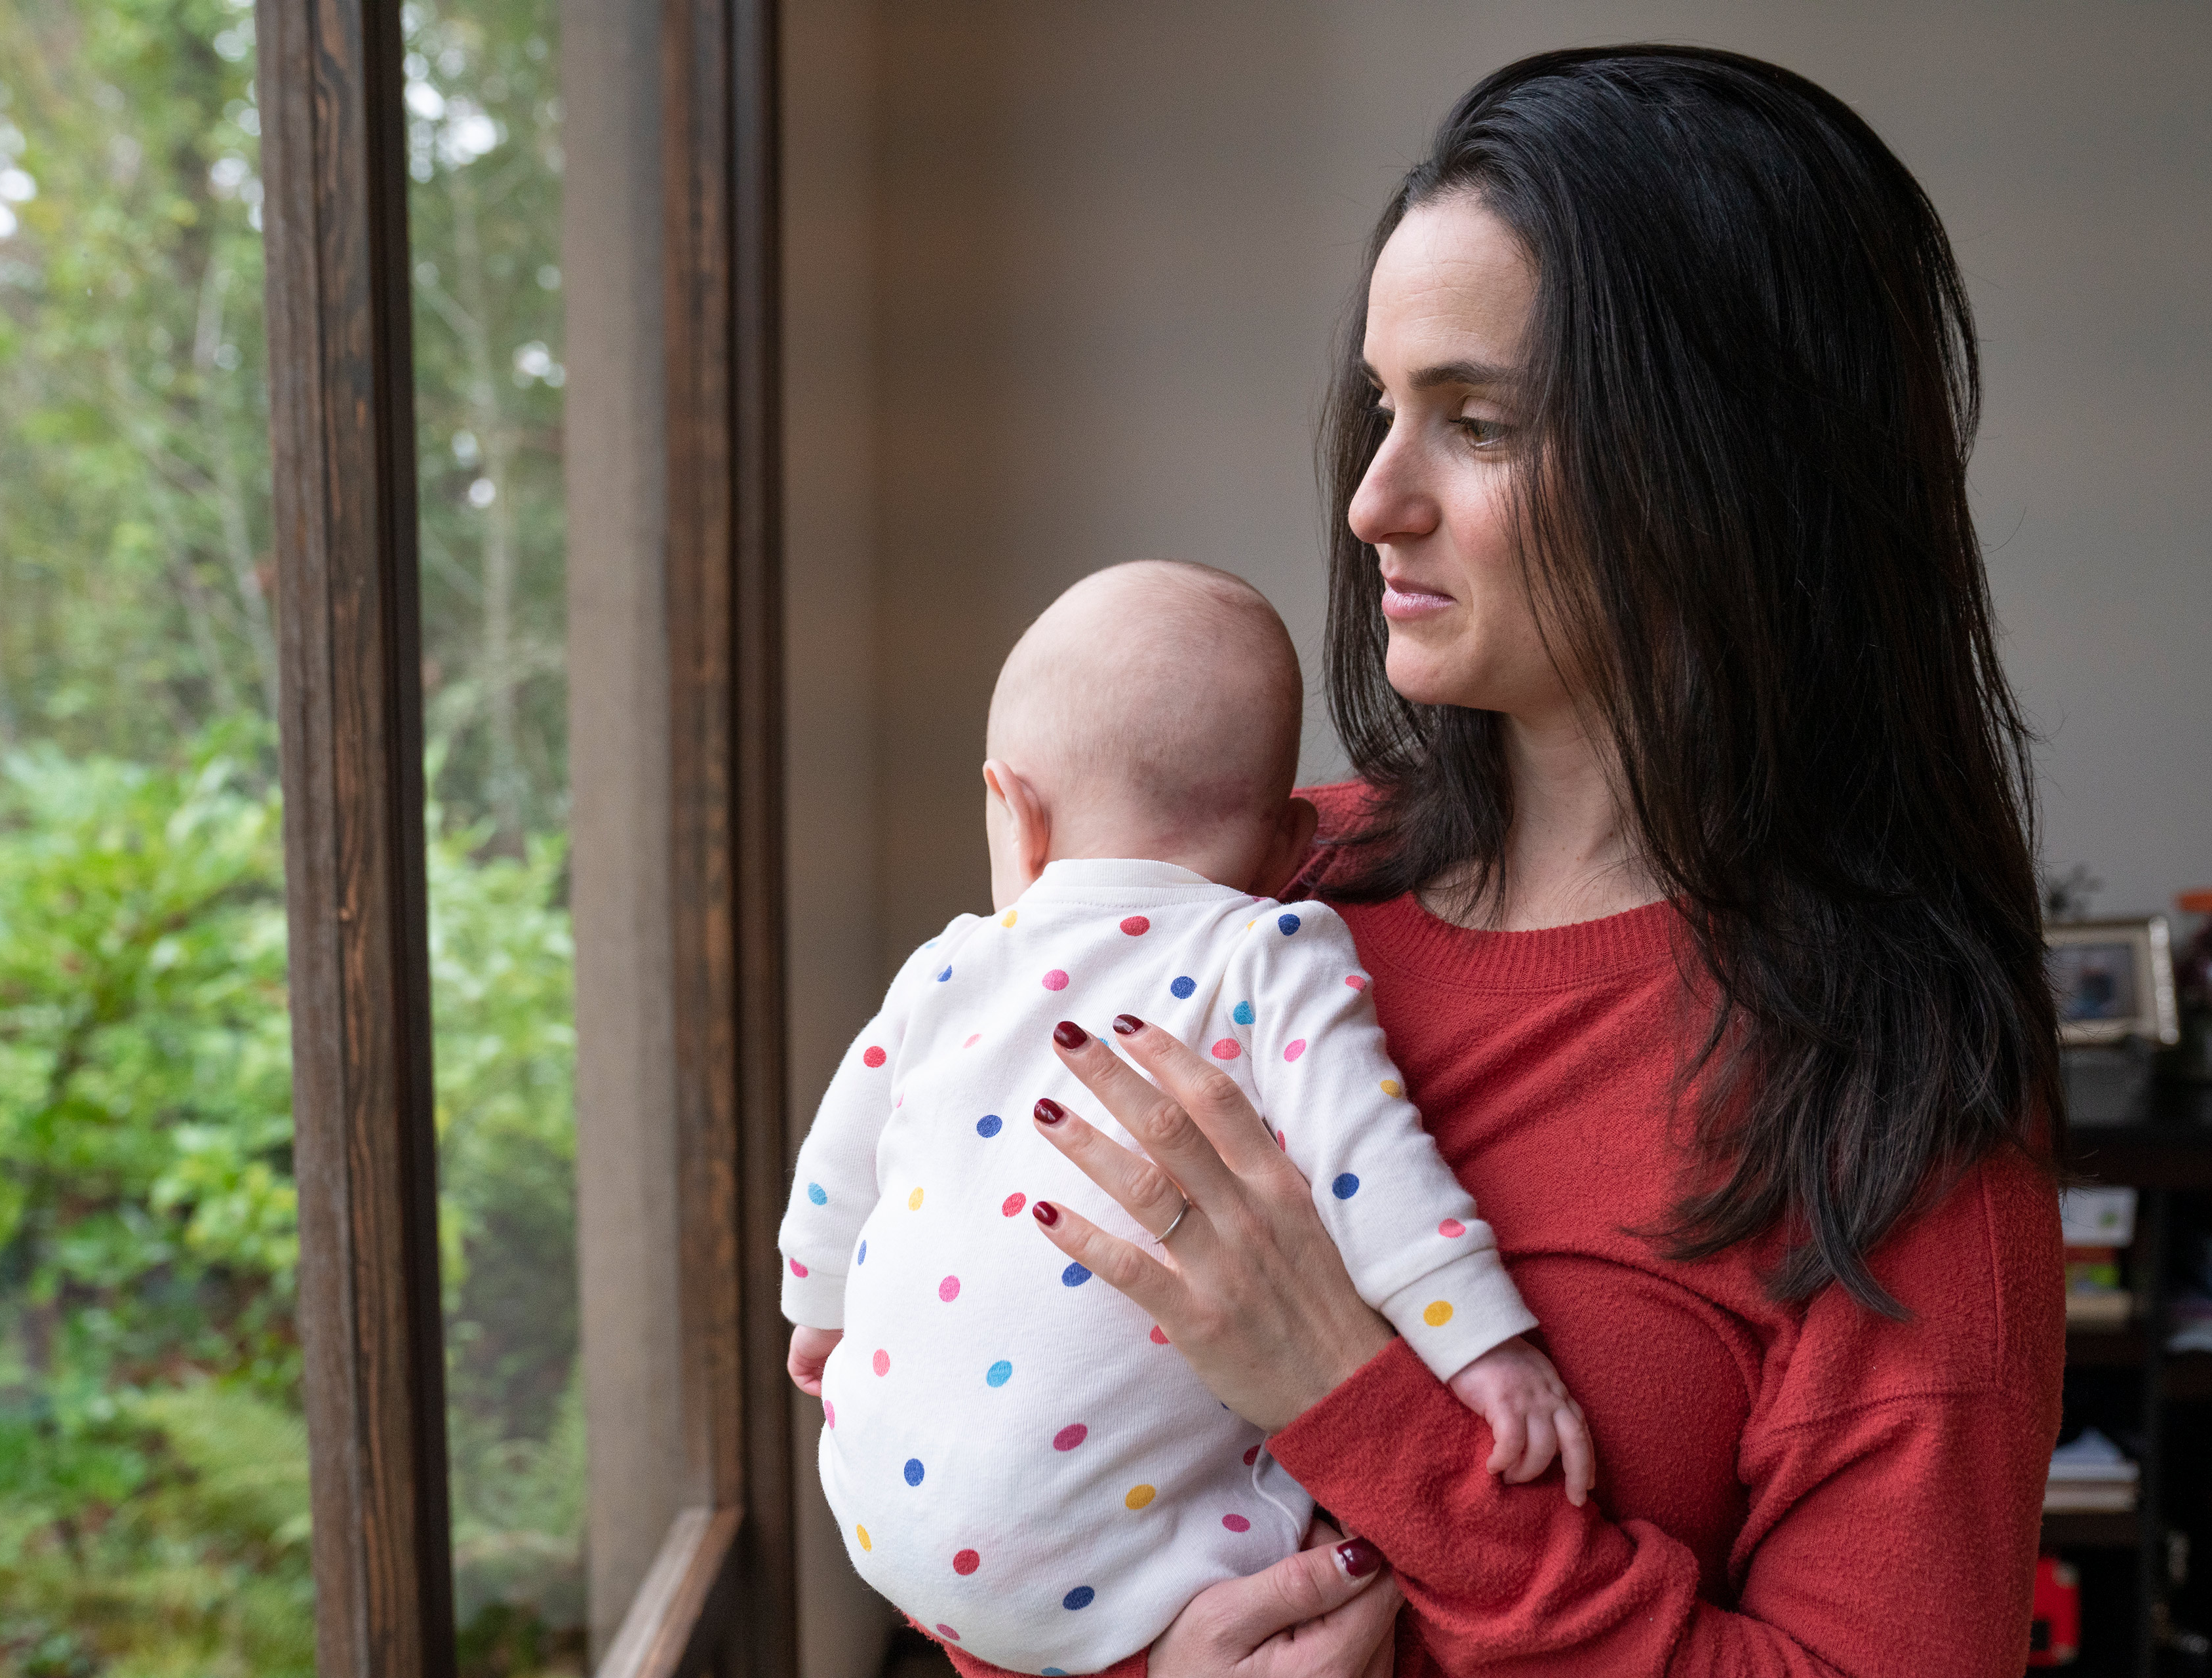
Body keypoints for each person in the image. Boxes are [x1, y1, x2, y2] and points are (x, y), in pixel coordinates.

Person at [945, 45, 2066, 1678]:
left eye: (1476, 422)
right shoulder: (1262, 882)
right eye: (1384, 409)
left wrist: (1355, 1400)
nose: (1372, 500)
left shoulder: (1896, 1105)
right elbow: (956, 1440)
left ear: (1732, 467)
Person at [779, 561, 1591, 1673]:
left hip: (880, 1512)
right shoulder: (1268, 954)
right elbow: (1370, 1169)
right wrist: (1488, 1349)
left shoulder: (952, 963)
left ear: (1013, 810)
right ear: (1290, 844)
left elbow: (841, 1161)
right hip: (1126, 1578)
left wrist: (820, 1311)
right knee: (1308, 1531)